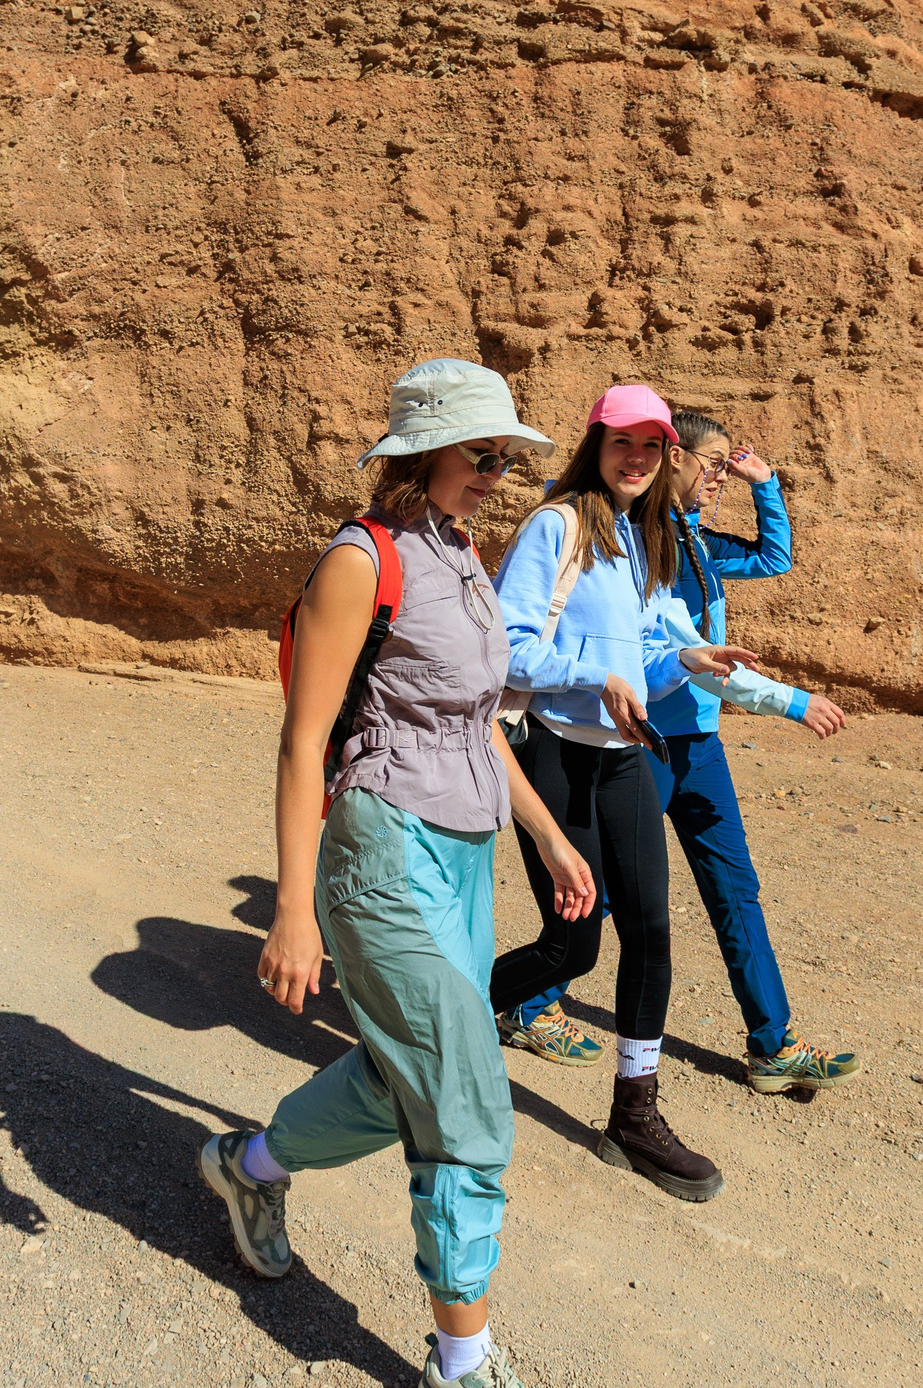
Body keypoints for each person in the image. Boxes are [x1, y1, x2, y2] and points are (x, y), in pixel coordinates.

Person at [199, 358, 596, 1388]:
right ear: (422, 452)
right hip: (380, 849)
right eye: (481, 452)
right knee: (463, 1091)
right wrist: (293, 909)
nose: (497, 472)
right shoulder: (359, 561)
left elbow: (475, 721)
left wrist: (548, 834)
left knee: (400, 1074)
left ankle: (248, 1168)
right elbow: (303, 742)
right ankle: (462, 1361)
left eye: (506, 457)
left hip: (464, 850)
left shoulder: (462, 550)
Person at [501, 412, 861, 1093]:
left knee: (734, 889)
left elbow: (772, 559)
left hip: (701, 742)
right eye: (714, 463)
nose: (722, 476)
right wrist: (788, 700)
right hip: (646, 743)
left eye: (729, 465)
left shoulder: (693, 540)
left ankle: (771, 1042)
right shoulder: (626, 536)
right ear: (677, 461)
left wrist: (768, 484)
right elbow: (665, 644)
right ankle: (529, 1002)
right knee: (603, 898)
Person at [488, 385, 756, 1204]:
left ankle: (631, 1116)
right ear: (596, 443)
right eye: (622, 442)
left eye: (652, 446)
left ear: (668, 454)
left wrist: (687, 663)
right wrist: (590, 677)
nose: (636, 458)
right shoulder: (557, 523)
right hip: (558, 755)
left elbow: (636, 654)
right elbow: (505, 646)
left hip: (625, 756)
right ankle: (446, 1021)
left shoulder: (644, 538)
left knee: (650, 931)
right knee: (573, 947)